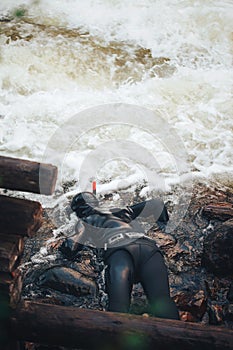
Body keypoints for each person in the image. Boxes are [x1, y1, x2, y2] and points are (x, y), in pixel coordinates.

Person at [60, 191, 180, 320]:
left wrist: (66, 248)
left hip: (120, 252)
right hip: (148, 248)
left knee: (118, 311)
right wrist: (164, 227)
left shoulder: (86, 220)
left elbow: (71, 247)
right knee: (163, 303)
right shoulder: (121, 211)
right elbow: (157, 204)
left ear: (79, 210)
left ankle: (116, 338)